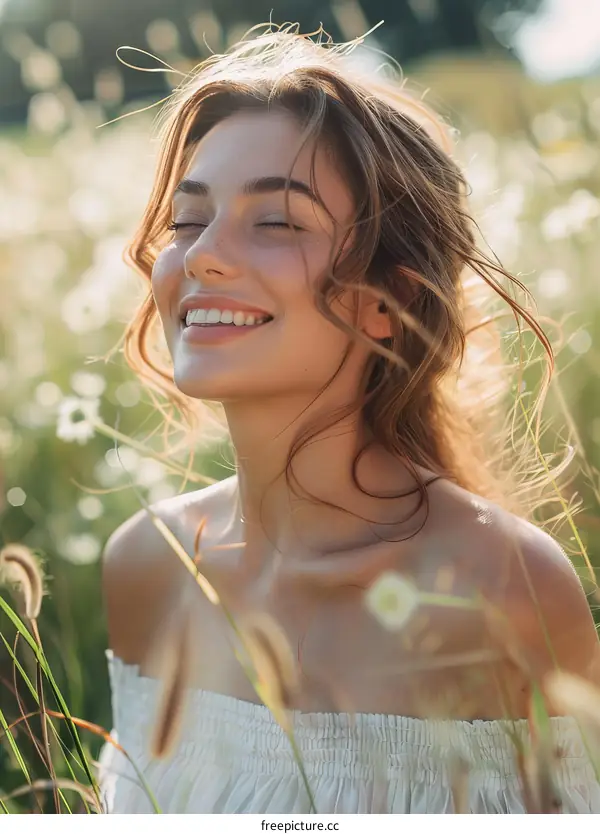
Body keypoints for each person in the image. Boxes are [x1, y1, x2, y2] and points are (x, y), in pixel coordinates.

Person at [97, 25, 600, 813]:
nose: (200, 256)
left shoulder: (503, 587)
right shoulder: (147, 568)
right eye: (188, 221)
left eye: (277, 223)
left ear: (384, 305)